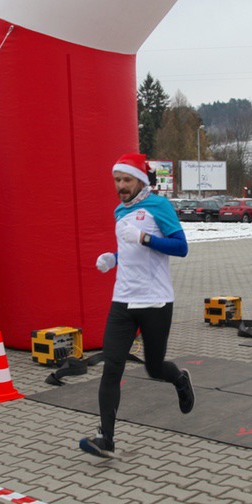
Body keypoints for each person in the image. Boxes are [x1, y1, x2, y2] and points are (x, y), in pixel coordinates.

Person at [79, 153, 194, 458]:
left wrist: (145, 238)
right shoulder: (119, 211)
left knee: (154, 368)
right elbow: (129, 251)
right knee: (112, 366)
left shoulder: (159, 207)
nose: (121, 186)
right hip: (123, 299)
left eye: (126, 180)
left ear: (141, 181)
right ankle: (106, 438)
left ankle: (179, 379)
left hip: (155, 300)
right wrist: (112, 259)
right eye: (117, 180)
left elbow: (181, 247)